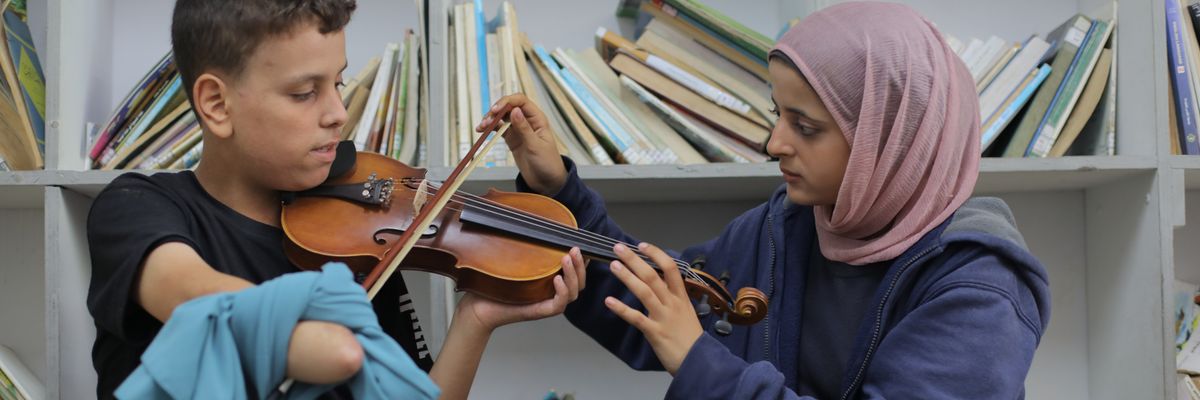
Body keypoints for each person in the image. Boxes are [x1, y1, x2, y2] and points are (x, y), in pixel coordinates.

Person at [477, 2, 1051, 398]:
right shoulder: (785, 228)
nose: (774, 143)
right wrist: (556, 190)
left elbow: (690, 345)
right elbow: (657, 301)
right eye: (779, 114)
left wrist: (700, 362)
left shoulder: (980, 291)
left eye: (806, 126)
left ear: (888, 138)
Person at [86, 0, 586, 398]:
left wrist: (475, 320)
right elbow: (190, 293)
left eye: (339, 82)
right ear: (217, 104)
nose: (338, 113)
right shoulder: (137, 206)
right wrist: (309, 341)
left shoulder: (354, 238)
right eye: (305, 93)